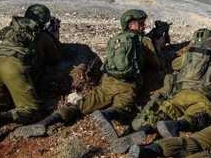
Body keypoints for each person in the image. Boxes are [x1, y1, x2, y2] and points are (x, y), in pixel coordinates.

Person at [13, 9, 163, 147]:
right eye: (141, 23)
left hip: (107, 82)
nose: (144, 26)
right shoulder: (143, 41)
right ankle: (105, 115)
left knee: (80, 106)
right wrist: (158, 46)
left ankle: (45, 122)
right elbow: (157, 64)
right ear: (133, 25)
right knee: (122, 110)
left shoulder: (116, 39)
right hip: (127, 86)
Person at [124, 28, 211, 151]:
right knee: (199, 114)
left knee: (165, 111)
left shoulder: (189, 54)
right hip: (201, 96)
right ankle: (175, 125)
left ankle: (144, 130)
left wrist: (188, 54)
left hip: (181, 94)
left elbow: (175, 64)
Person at [0, 4, 64, 142]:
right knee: (32, 111)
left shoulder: (7, 30)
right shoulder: (42, 36)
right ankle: (0, 117)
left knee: (3, 104)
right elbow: (56, 58)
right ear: (44, 21)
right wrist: (53, 36)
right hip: (14, 69)